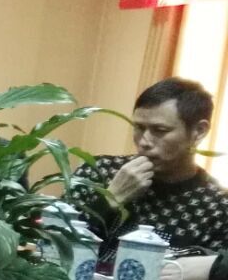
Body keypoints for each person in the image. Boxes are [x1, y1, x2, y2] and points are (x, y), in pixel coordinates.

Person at [77, 77, 228, 266]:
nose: (144, 142)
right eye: (139, 128)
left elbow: (211, 276)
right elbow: (55, 245)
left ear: (198, 131)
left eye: (160, 130)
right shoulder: (98, 171)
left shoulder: (218, 208)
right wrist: (109, 200)